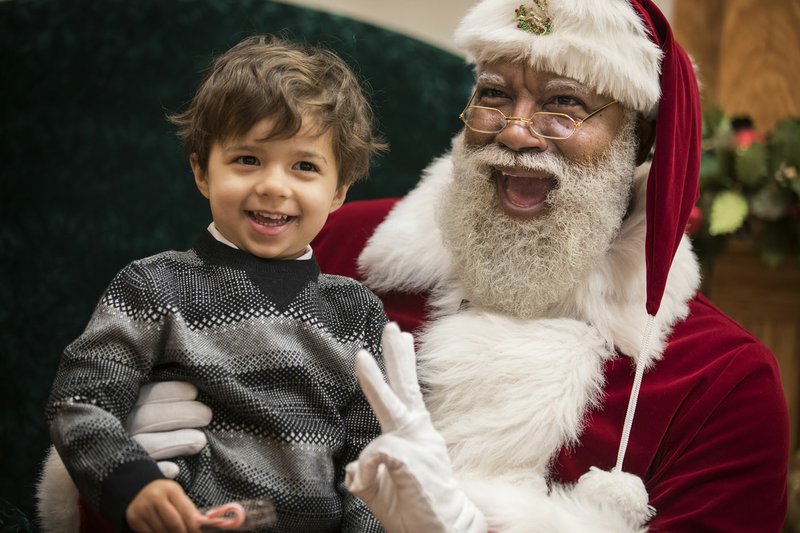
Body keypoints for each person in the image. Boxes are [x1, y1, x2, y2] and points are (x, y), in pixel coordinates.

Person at [41, 0, 790, 531]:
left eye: (565, 104)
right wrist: (121, 473)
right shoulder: (340, 251)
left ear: (640, 144)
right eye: (493, 96)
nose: (517, 133)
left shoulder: (724, 383)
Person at [41, 34, 388, 533]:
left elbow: (372, 455)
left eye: (304, 166)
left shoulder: (356, 312)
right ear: (202, 171)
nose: (273, 185)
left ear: (338, 192)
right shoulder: (153, 286)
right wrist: (133, 483)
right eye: (247, 159)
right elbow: (79, 402)